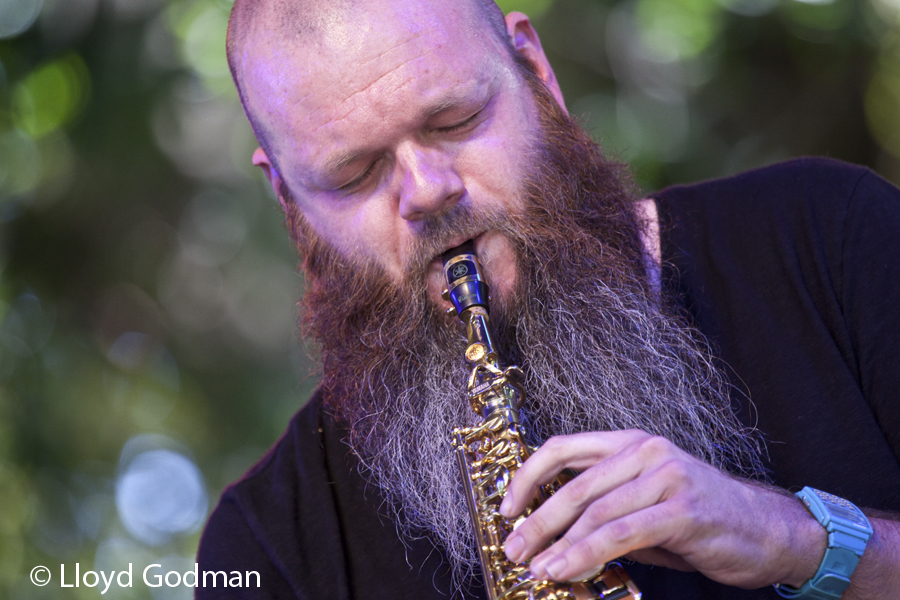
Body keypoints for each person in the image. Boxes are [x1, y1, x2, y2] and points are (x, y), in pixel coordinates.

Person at [196, 0, 900, 598]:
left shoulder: (829, 235)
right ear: (288, 203)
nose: (427, 190)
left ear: (535, 71)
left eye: (454, 119)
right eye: (353, 174)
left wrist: (795, 540)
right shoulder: (269, 547)